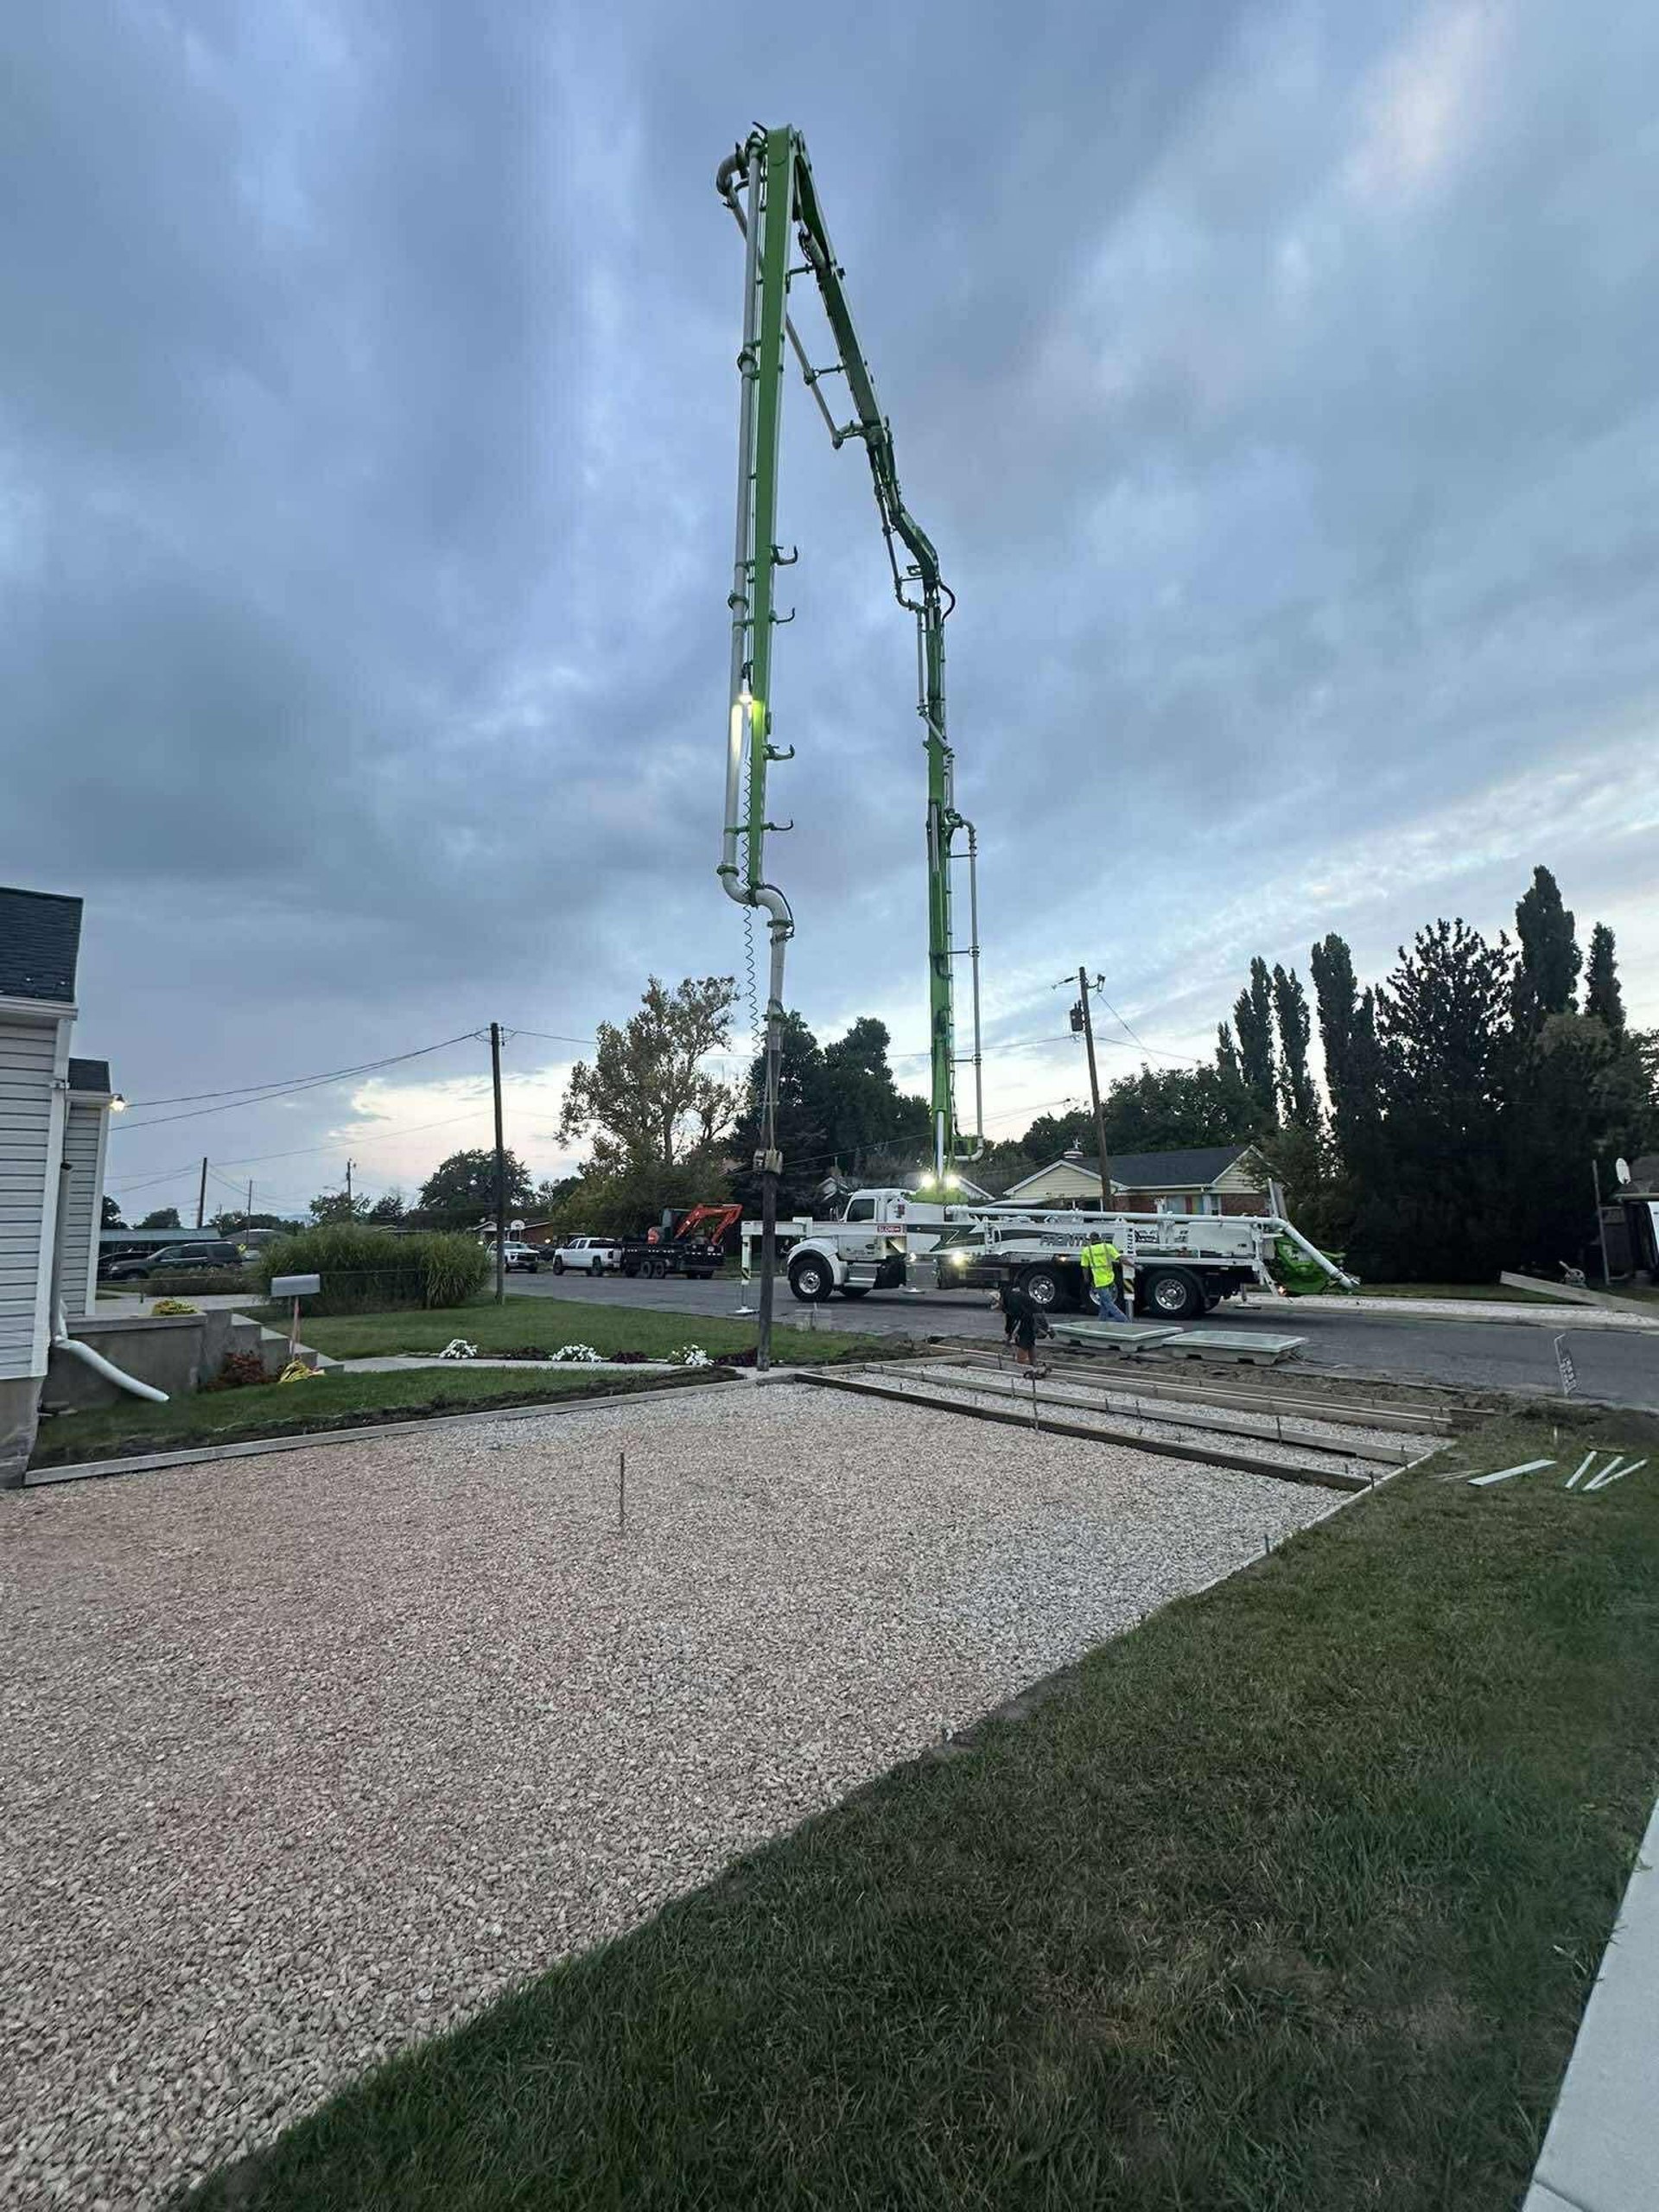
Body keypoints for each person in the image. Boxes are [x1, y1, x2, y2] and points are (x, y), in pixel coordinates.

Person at [995, 1278, 1046, 1370]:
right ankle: (1033, 1363)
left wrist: (1036, 1327)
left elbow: (1023, 1316)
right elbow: (1010, 1319)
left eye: (998, 1307)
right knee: (1029, 1341)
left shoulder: (1012, 1302)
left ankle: (1021, 1364)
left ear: (999, 1301)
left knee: (1024, 1340)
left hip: (1033, 1316)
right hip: (1030, 1316)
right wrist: (1009, 1333)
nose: (999, 1309)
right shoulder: (1007, 1300)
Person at [1078, 1232, 1128, 1322]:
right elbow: (1121, 1259)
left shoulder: (1087, 1250)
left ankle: (1124, 1320)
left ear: (1090, 1240)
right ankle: (1102, 1321)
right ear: (1100, 1238)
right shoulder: (1107, 1247)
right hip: (1110, 1279)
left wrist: (1086, 1279)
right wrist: (1134, 1266)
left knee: (1108, 1303)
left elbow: (1085, 1267)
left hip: (1100, 1281)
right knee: (1104, 1304)